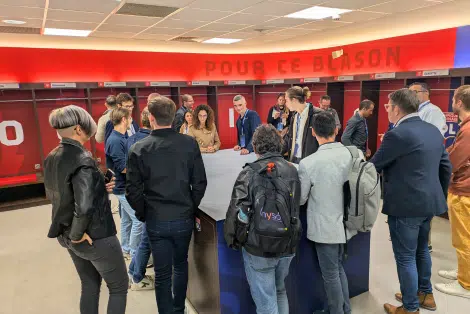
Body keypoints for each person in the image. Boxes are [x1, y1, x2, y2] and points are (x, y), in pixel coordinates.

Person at [370, 89, 451, 314]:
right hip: (429, 204)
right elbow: (446, 167)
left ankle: (410, 307)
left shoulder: (397, 134)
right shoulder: (433, 131)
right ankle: (424, 294)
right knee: (422, 250)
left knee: (405, 256)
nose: (387, 110)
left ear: (396, 108)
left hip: (405, 206)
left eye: (388, 106)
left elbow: (374, 166)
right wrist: (438, 196)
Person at [126, 96, 207, 314]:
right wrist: (190, 206)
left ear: (150, 118)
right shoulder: (189, 144)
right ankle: (179, 309)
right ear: (173, 118)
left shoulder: (138, 149)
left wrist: (144, 213)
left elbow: (132, 191)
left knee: (162, 273)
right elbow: (199, 182)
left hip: (155, 220)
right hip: (183, 217)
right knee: (180, 265)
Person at [44, 105, 128, 314]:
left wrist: (99, 184)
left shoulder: (52, 157)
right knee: (118, 287)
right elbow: (83, 206)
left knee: (89, 286)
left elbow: (64, 193)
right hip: (94, 236)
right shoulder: (83, 160)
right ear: (79, 129)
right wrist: (77, 234)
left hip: (66, 234)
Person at [224, 124, 301, 314]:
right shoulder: (292, 170)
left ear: (256, 146)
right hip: (287, 243)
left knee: (266, 303)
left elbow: (236, 211)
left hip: (258, 247)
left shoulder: (248, 173)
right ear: (278, 144)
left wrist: (232, 240)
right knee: (280, 290)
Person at [298, 112, 352, 314]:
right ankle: (344, 309)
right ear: (336, 130)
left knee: (330, 273)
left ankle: (336, 311)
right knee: (338, 268)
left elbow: (301, 199)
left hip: (325, 227)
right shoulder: (351, 154)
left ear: (313, 132)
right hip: (347, 223)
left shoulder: (309, 163)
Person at [436, 85, 470, 299]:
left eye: (454, 98)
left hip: (463, 191)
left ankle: (466, 284)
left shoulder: (467, 130)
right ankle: (462, 272)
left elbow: (454, 160)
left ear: (459, 102)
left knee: (463, 238)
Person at [409, 82, 447, 252]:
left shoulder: (433, 112)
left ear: (424, 93)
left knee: (424, 209)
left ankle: (425, 243)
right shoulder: (415, 111)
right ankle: (415, 239)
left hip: (424, 165)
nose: (410, 95)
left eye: (412, 92)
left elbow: (433, 138)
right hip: (413, 165)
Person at [106, 107, 143, 260]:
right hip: (122, 188)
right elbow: (122, 168)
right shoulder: (115, 140)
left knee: (127, 220)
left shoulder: (120, 137)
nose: (131, 121)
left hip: (123, 187)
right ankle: (135, 254)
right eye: (129, 118)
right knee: (138, 220)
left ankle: (126, 248)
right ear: (123, 119)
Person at [127, 107, 155, 291]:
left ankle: (132, 269)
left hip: (140, 199)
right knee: (146, 241)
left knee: (146, 239)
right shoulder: (151, 142)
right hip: (151, 201)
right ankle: (137, 277)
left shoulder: (131, 141)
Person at [282, 86, 323, 163]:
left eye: (286, 100)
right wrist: (276, 154)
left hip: (310, 161)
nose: (285, 104)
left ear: (294, 100)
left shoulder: (317, 114)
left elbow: (323, 141)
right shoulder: (294, 116)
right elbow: (289, 138)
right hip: (294, 159)